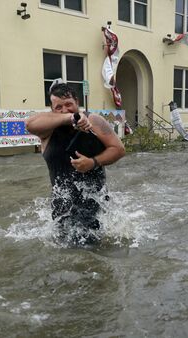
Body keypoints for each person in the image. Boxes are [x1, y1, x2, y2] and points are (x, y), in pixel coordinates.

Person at [26, 81, 126, 246]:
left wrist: (93, 162)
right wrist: (69, 118)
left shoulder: (94, 121)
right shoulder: (47, 130)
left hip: (94, 203)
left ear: (77, 103)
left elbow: (119, 149)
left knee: (94, 253)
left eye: (69, 105)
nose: (64, 109)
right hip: (62, 208)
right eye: (58, 107)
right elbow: (29, 124)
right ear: (52, 110)